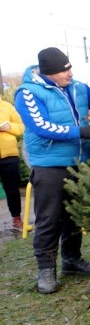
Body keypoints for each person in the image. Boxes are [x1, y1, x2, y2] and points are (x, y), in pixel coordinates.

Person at [14, 47, 90, 294]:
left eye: (69, 67)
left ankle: (71, 260)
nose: (69, 73)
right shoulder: (28, 93)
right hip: (49, 165)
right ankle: (46, 270)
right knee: (49, 218)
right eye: (63, 70)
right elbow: (42, 127)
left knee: (74, 214)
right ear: (49, 72)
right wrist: (82, 131)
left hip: (79, 162)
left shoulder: (78, 88)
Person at [0, 99, 25, 231]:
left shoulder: (7, 107)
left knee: (12, 190)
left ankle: (16, 219)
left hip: (9, 156)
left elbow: (21, 127)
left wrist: (8, 127)